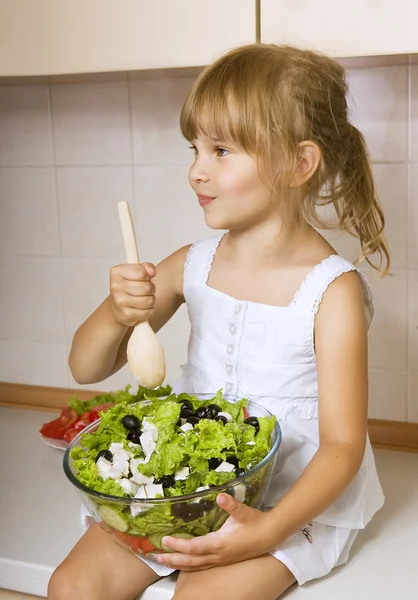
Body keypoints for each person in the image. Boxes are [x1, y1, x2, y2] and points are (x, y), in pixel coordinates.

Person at [48, 43, 390, 600]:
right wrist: (116, 312)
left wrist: (267, 531)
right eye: (195, 148)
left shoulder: (332, 292)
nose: (195, 170)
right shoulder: (191, 264)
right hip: (187, 485)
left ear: (299, 163)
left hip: (289, 501)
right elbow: (86, 366)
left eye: (222, 150)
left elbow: (343, 446)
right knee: (71, 587)